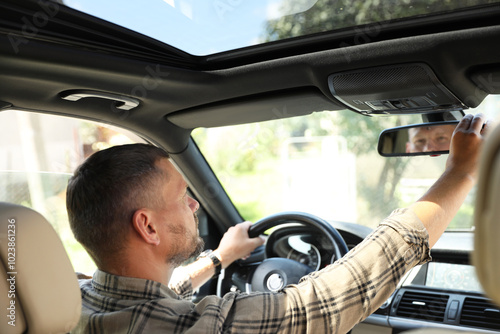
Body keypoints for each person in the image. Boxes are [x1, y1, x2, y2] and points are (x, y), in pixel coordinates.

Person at [67, 113, 489, 334]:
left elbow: (154, 300)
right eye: (183, 198)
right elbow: (334, 297)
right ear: (149, 228)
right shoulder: (204, 327)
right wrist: (459, 174)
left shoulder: (76, 301)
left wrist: (220, 259)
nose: (195, 205)